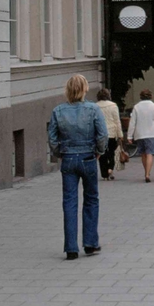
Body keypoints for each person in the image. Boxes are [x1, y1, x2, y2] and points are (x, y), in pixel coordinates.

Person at [48, 74, 107, 260]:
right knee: (91, 199)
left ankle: (71, 248)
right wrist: (99, 151)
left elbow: (52, 138)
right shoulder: (93, 109)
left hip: (68, 158)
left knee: (69, 202)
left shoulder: (58, 111)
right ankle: (90, 243)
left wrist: (60, 153)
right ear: (85, 89)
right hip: (88, 157)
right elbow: (102, 134)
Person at [126, 88, 154, 182]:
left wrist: (129, 136)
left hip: (140, 133)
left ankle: (146, 171)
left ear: (141, 97)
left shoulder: (136, 107)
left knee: (143, 154)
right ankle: (147, 174)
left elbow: (132, 122)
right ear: (151, 96)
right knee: (149, 153)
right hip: (152, 133)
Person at [95, 88, 123, 181]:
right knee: (111, 152)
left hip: (100, 133)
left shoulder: (95, 106)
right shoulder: (113, 105)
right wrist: (120, 134)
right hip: (111, 133)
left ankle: (104, 174)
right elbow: (117, 121)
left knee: (102, 153)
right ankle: (110, 168)